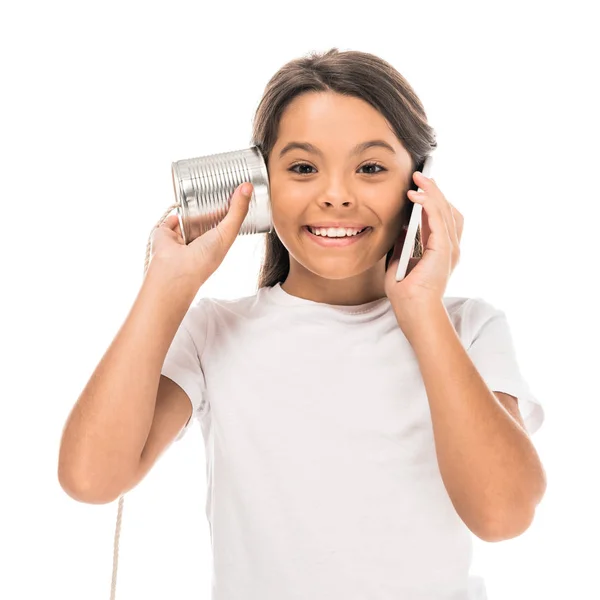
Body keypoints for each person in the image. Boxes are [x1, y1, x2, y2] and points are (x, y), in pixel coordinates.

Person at [58, 48, 546, 600]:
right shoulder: (212, 333)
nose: (335, 194)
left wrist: (423, 311)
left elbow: (504, 514)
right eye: (303, 168)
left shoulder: (467, 328)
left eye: (370, 168)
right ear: (259, 183)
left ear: (421, 185)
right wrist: (167, 287)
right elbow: (91, 479)